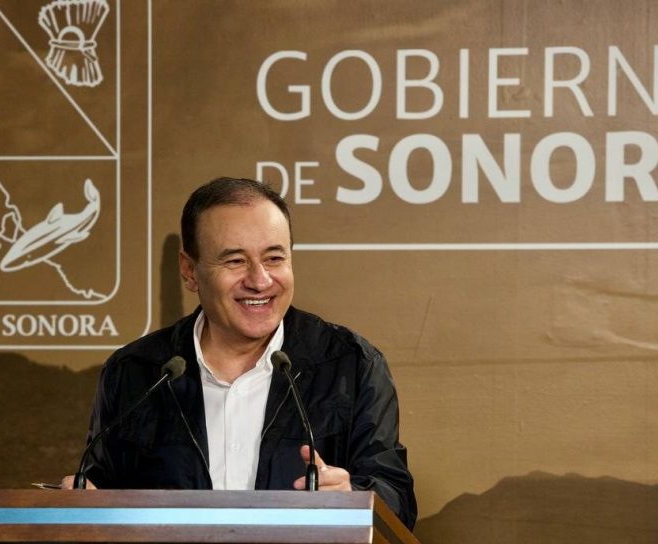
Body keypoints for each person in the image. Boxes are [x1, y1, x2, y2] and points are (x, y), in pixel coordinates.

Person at [64, 177, 417, 528]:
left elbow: (397, 499)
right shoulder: (135, 372)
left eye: (274, 258)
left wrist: (354, 497)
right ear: (189, 271)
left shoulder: (351, 365)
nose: (260, 280)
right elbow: (98, 493)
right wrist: (82, 502)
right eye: (235, 261)